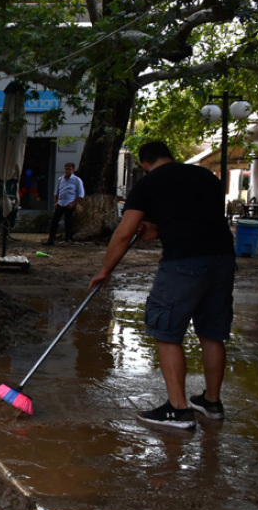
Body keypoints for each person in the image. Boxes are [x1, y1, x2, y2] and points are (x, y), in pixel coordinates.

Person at [89, 141, 235, 429]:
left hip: (183, 262)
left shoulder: (148, 184)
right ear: (170, 156)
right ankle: (212, 402)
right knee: (211, 332)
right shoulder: (205, 177)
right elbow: (190, 221)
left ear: (144, 164)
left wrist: (106, 269)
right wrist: (153, 230)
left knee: (167, 332)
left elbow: (124, 233)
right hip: (222, 259)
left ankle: (178, 410)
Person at [44, 162, 84, 245]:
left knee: (68, 221)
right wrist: (56, 202)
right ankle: (51, 239)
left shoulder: (76, 180)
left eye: (70, 169)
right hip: (60, 203)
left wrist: (73, 203)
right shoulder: (61, 179)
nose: (68, 171)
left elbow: (80, 194)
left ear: (73, 170)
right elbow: (57, 192)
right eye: (67, 169)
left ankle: (68, 239)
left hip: (70, 203)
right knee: (55, 221)